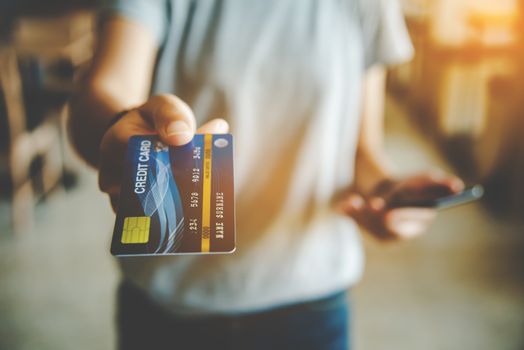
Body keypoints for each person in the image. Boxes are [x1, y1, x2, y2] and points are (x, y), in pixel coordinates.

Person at [68, 0, 464, 349]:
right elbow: (105, 89)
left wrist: (387, 192)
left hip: (312, 306)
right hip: (171, 306)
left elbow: (362, 152)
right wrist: (119, 129)